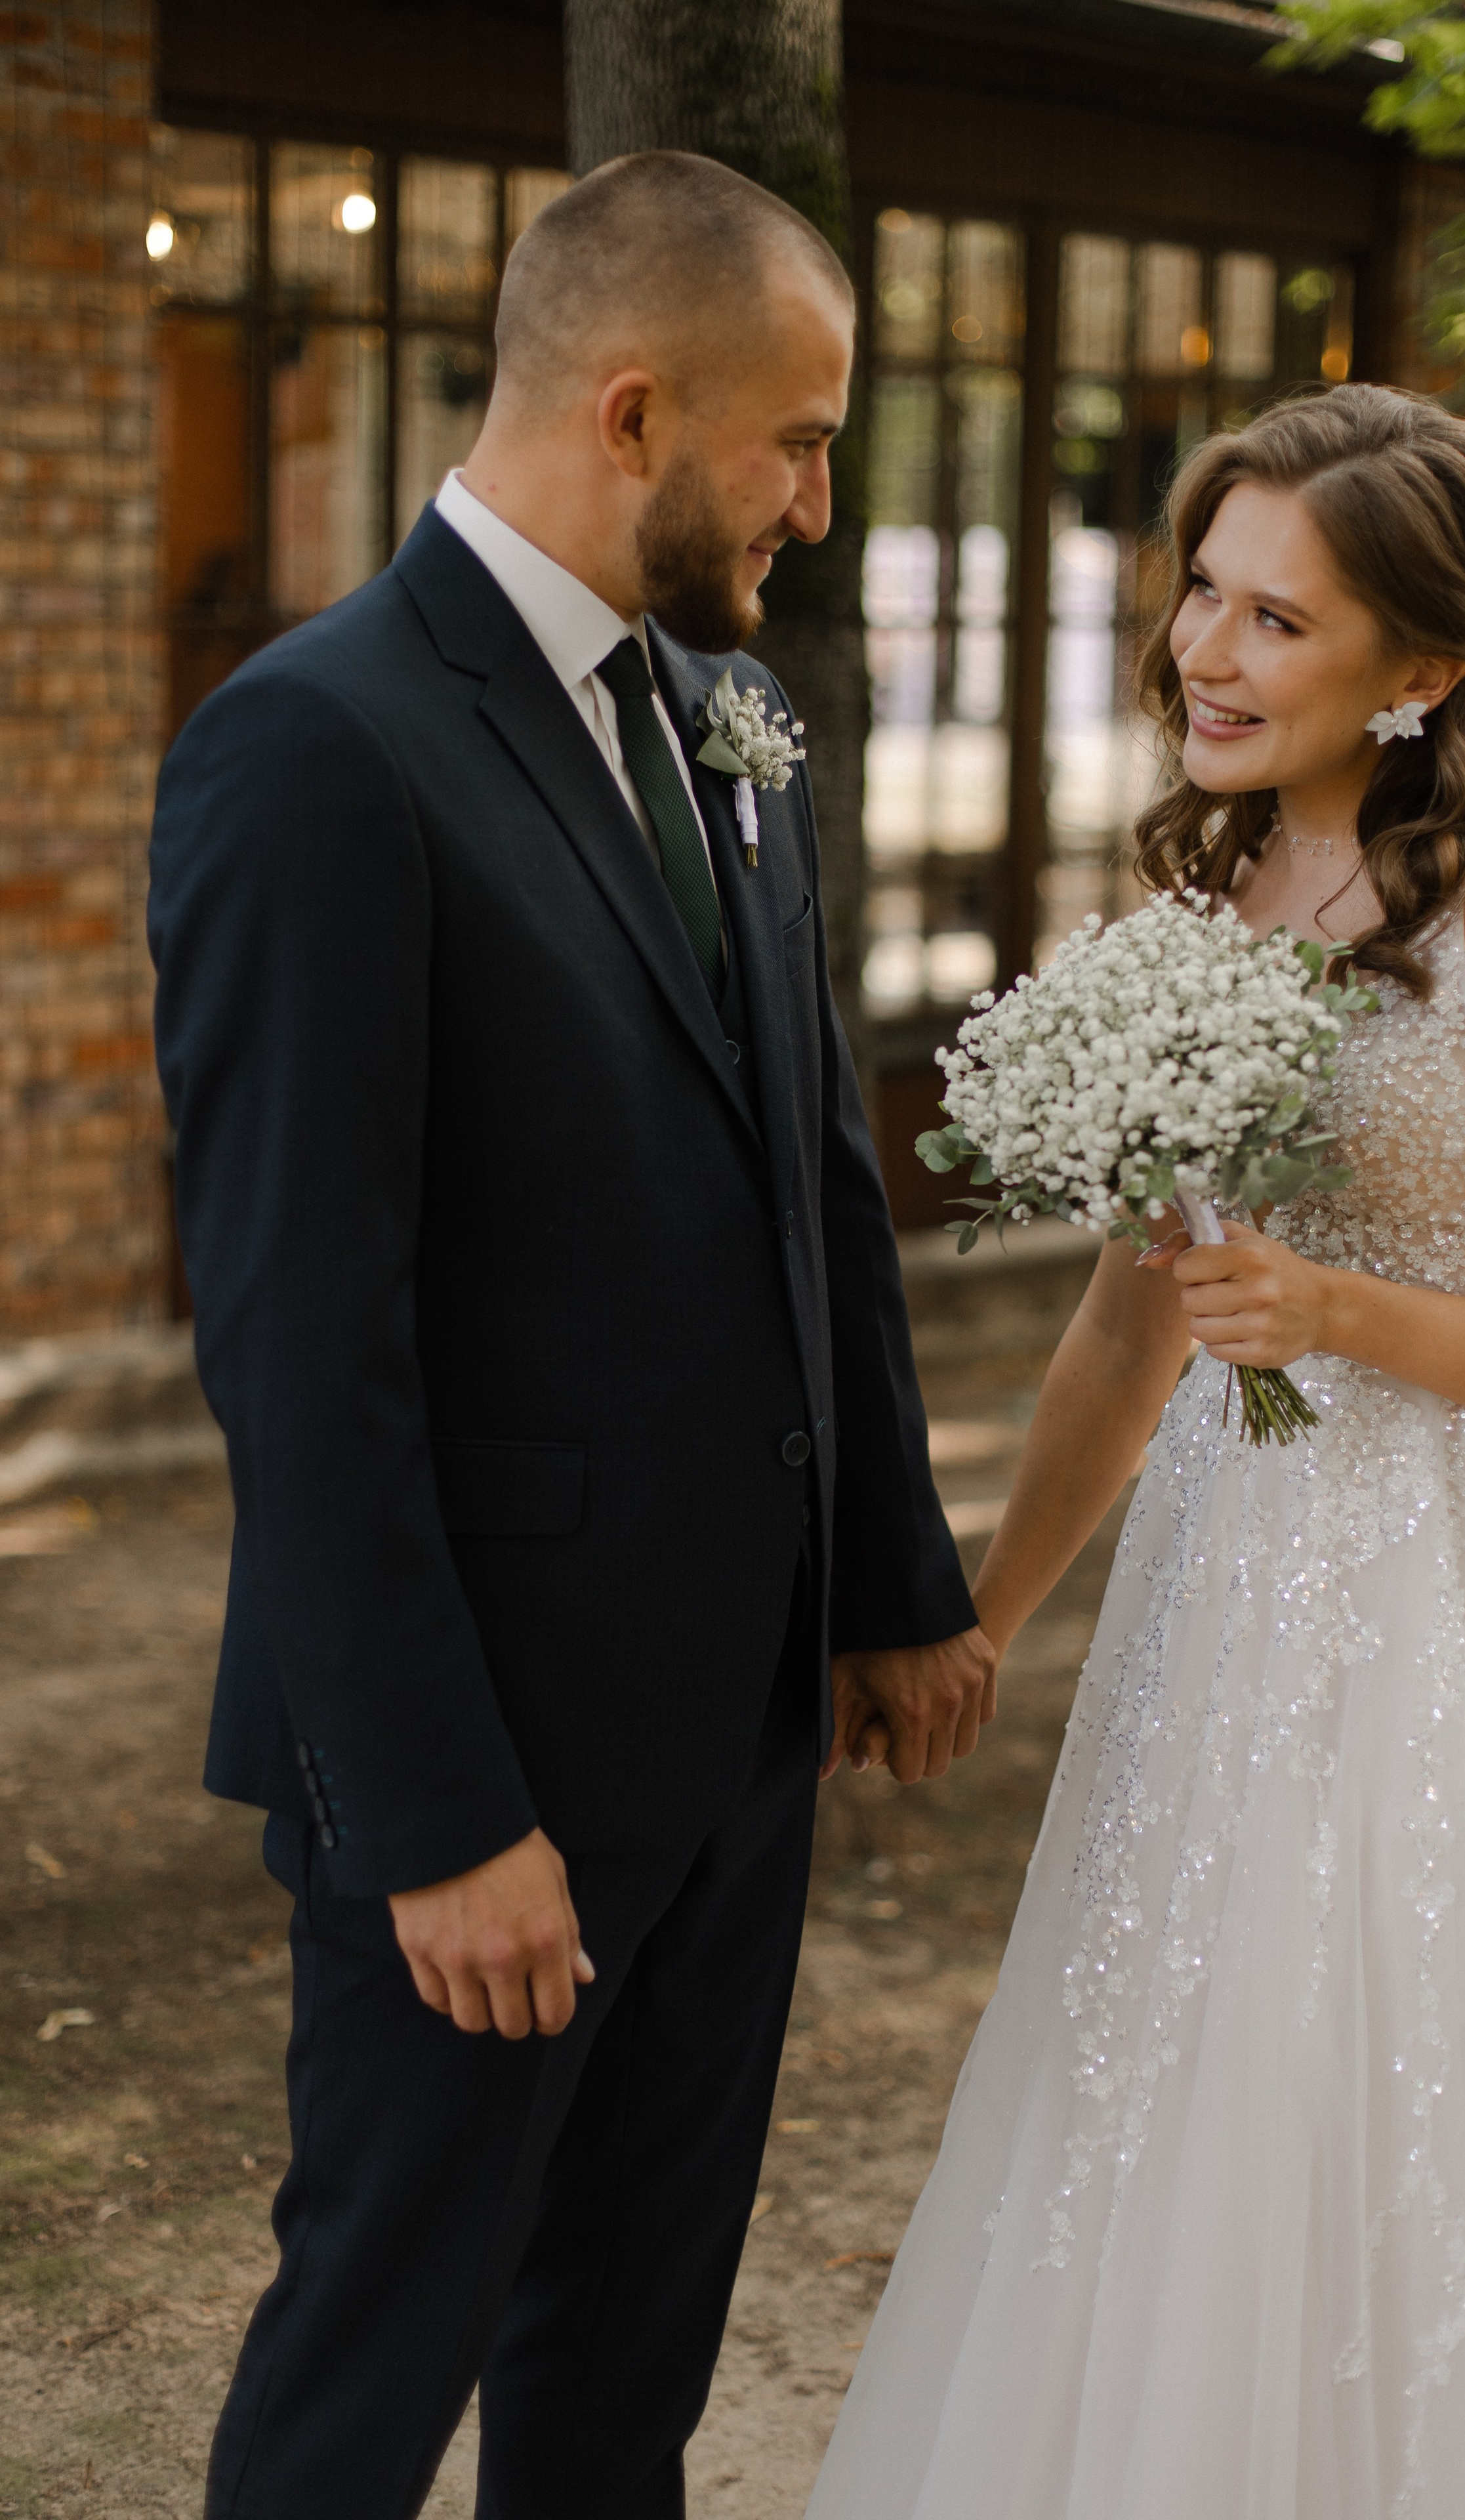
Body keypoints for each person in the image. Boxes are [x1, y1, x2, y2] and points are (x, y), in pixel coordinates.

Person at [148, 150, 993, 2520]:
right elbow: (308, 1347)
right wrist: (435, 1823)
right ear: (634, 412)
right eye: (799, 442)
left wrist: (895, 1584)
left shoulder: (725, 719)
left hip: (733, 1736)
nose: (822, 503)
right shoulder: (318, 749)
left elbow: (814, 1173)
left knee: (628, 2367)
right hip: (484, 1769)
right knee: (376, 2360)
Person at [806, 385, 1465, 2519]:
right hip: (1225, 1604)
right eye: (1204, 586)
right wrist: (983, 1615)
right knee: (1188, 2086)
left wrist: (1349, 1317)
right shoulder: (1200, 899)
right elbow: (1129, 1317)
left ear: (1428, 670)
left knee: (1438, 2105)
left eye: (1277, 620)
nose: (1205, 646)